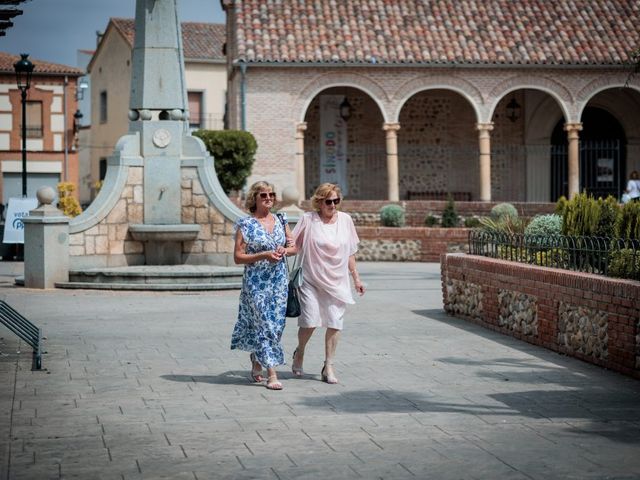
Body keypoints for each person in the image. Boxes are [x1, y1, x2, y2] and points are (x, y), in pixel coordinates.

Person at [290, 183, 365, 384]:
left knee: (334, 322)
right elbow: (294, 246)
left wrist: (356, 278)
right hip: (310, 280)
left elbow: (350, 252)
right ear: (319, 202)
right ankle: (300, 351)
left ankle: (328, 365)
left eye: (336, 201)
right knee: (310, 320)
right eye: (328, 201)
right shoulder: (308, 219)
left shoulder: (346, 220)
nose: (332, 205)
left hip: (337, 281)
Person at [230, 181, 295, 390]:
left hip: (279, 282)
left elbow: (293, 246)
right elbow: (238, 257)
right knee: (264, 324)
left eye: (272, 194)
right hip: (256, 283)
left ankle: (257, 358)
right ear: (255, 199)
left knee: (276, 326)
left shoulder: (281, 219)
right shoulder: (245, 224)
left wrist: (285, 251)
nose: (269, 198)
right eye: (264, 195)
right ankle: (272, 374)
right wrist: (264, 255)